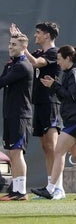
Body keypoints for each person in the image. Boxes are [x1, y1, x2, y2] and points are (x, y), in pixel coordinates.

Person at [31, 45, 76, 200]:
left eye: (60, 59)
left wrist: (54, 85)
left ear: (68, 59)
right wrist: (54, 85)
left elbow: (71, 96)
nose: (58, 63)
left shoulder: (75, 72)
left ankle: (51, 189)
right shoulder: (72, 72)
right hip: (75, 120)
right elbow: (65, 96)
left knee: (58, 151)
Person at [10, 22, 65, 199]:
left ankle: (58, 188)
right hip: (39, 103)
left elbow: (34, 63)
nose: (35, 36)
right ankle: (50, 187)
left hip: (51, 102)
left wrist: (24, 46)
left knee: (54, 147)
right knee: (45, 146)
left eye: (38, 33)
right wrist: (18, 40)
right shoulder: (37, 52)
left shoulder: (52, 53)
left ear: (47, 36)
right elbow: (24, 59)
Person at [0, 33, 33, 201]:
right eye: (10, 43)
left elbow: (2, 81)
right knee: (12, 153)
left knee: (17, 152)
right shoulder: (11, 64)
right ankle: (15, 190)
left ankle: (20, 192)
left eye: (14, 44)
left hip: (21, 116)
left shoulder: (23, 66)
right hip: (10, 115)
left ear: (24, 47)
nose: (11, 47)